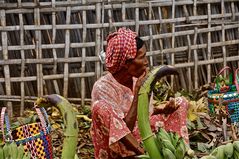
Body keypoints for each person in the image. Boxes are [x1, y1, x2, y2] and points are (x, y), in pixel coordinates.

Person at [90, 27, 189, 159]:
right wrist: (137, 93)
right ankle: (148, 154)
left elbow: (144, 116)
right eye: (142, 58)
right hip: (119, 148)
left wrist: (162, 110)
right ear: (126, 63)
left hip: (143, 136)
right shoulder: (103, 88)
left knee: (181, 103)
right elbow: (122, 131)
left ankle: (177, 151)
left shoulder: (139, 78)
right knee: (100, 107)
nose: (146, 62)